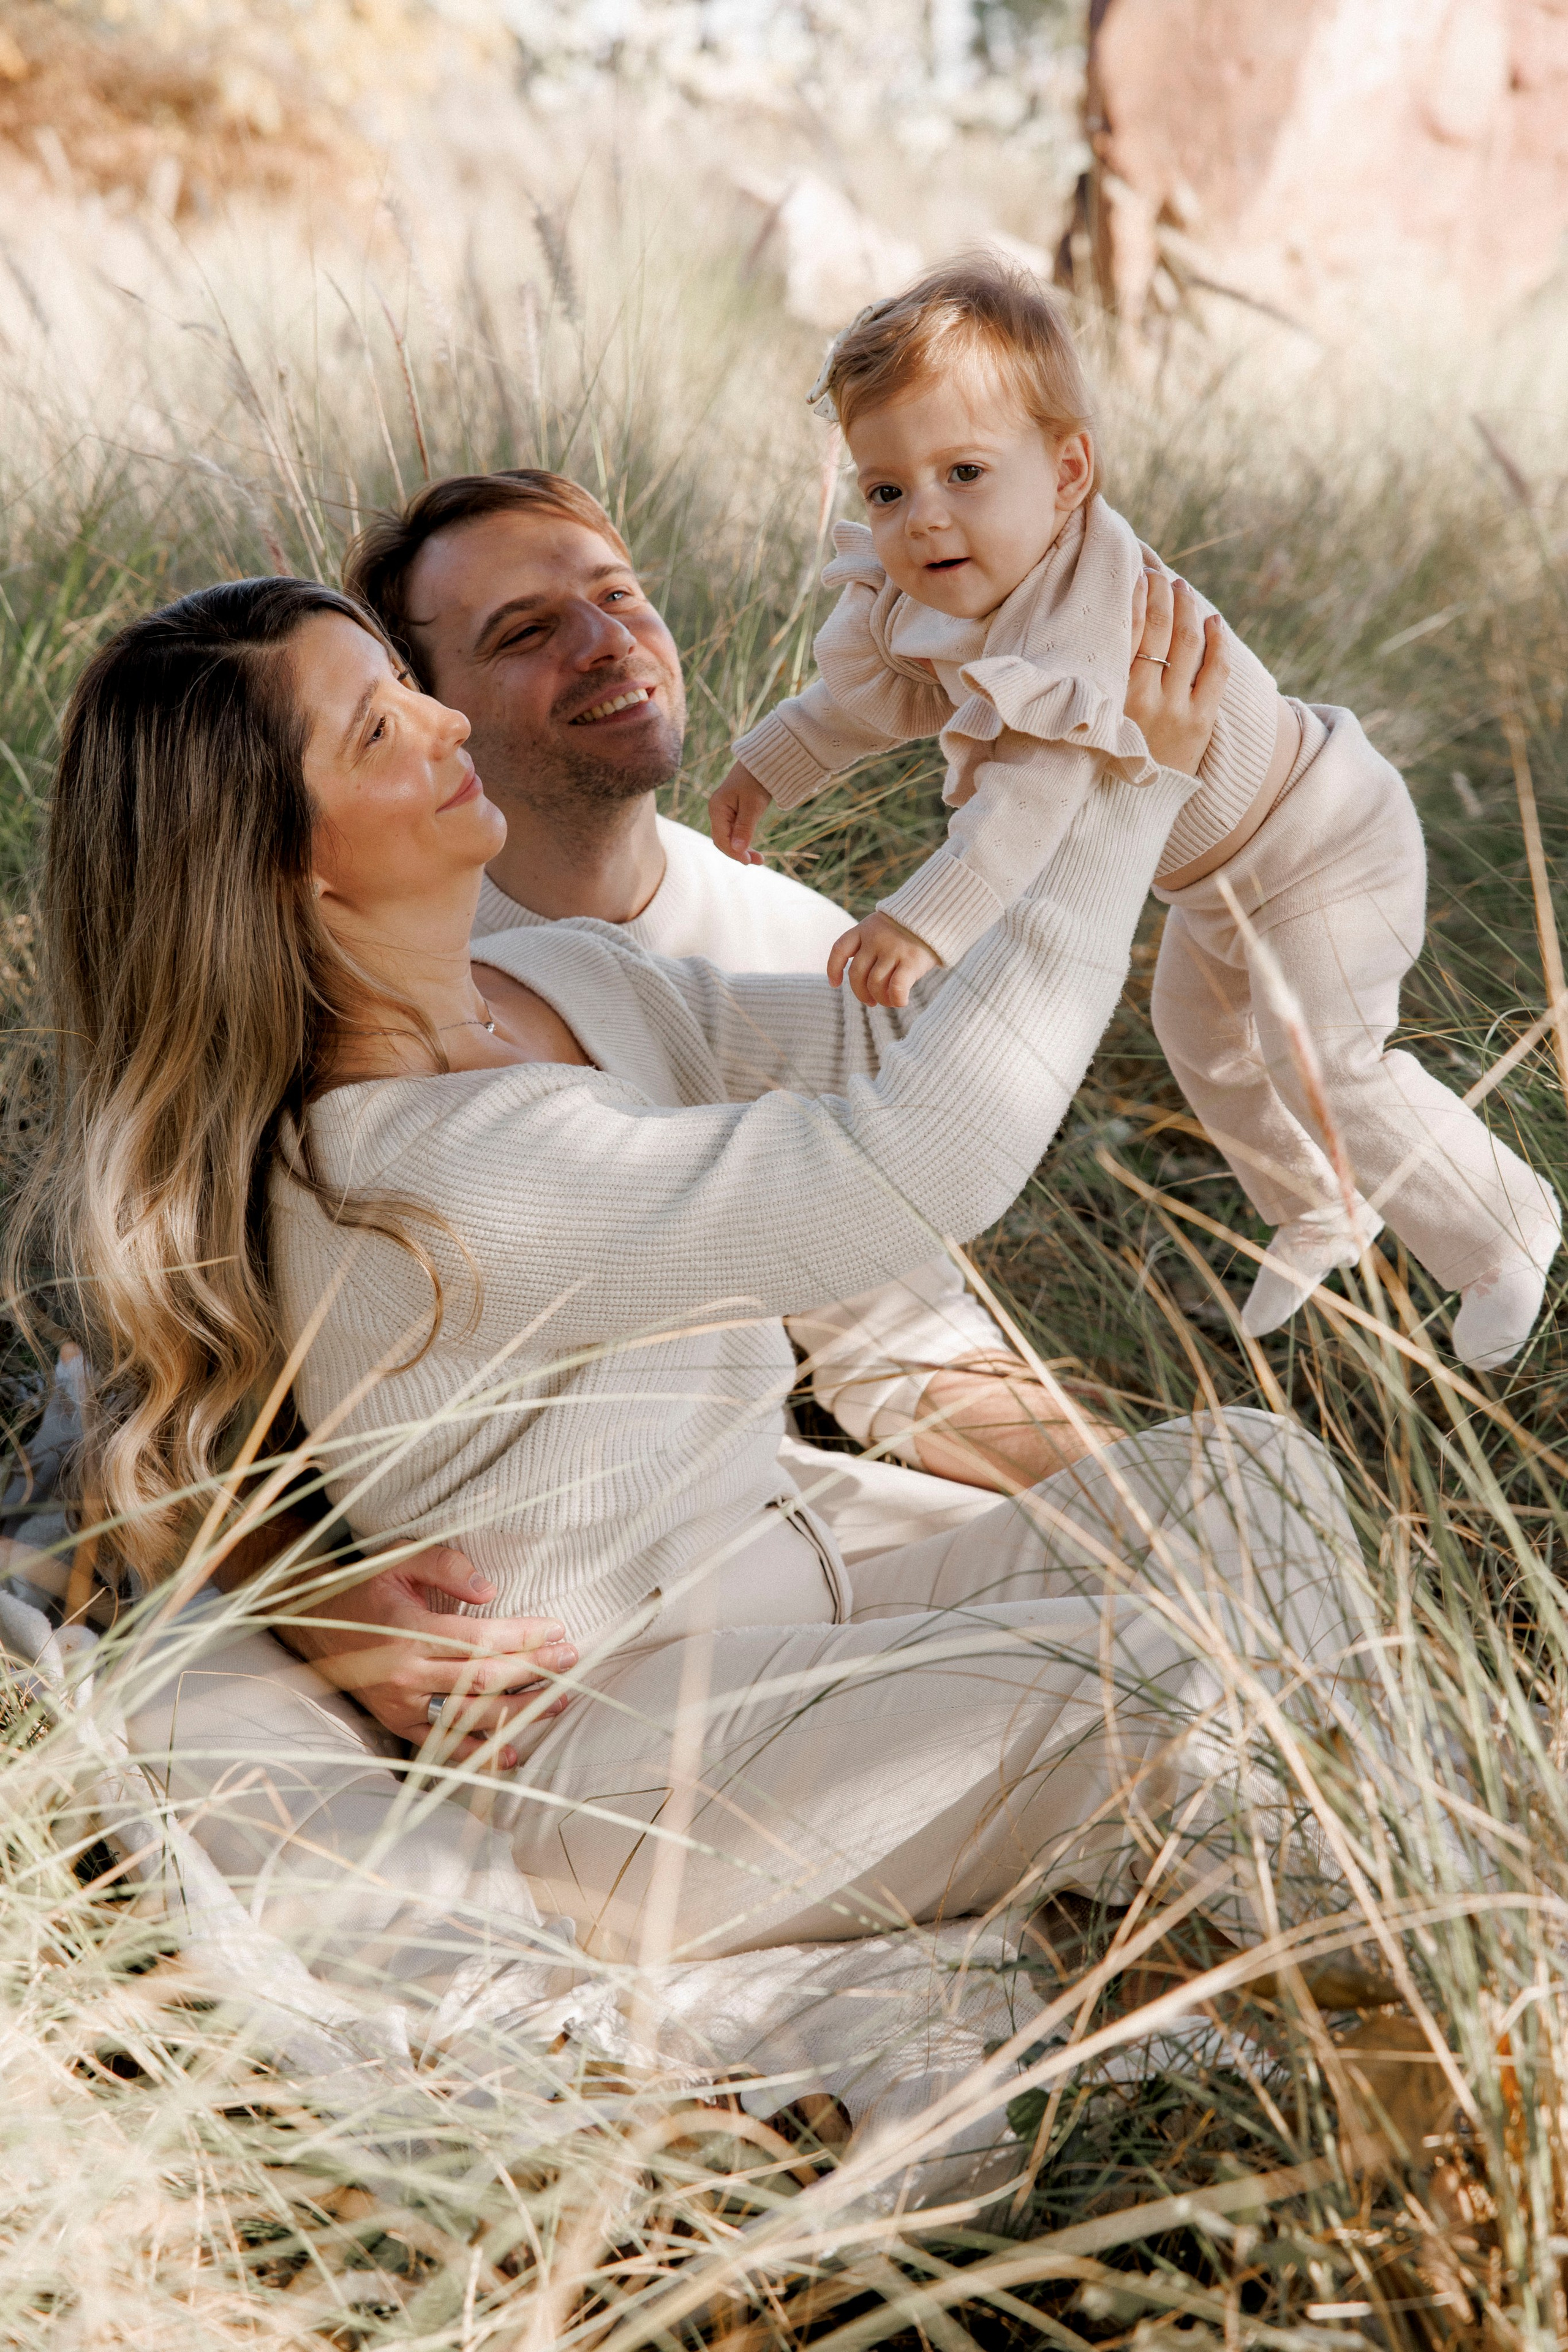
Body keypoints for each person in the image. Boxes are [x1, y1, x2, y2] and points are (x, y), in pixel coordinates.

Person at [6, 556, 1374, 1988]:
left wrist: (1028, 779)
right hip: (631, 1772)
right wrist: (1124, 791)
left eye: (409, 689)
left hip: (815, 1600)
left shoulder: (558, 988)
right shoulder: (414, 1168)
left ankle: (1399, 1918)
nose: (447, 728)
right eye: (376, 733)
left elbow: (902, 1056)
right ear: (290, 859)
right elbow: (922, 1158)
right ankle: (1452, 2003)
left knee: (1251, 1478)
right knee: (1161, 1689)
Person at [710, 258, 1561, 1372]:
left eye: (965, 471)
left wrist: (924, 923)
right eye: (886, 490)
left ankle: (1505, 1232)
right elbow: (876, 697)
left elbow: (1036, 798)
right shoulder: (957, 582)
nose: (921, 519)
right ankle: (1318, 1207)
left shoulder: (1081, 614)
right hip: (1211, 883)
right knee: (1203, 1041)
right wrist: (766, 767)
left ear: (1068, 474)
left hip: (1323, 837)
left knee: (1327, 1059)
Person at [338, 467, 1117, 1531]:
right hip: (499, 1560)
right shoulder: (396, 977)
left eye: (617, 596)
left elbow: (903, 1352)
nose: (607, 643)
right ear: (429, 712)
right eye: (523, 632)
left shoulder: (801, 943)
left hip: (758, 1511)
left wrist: (1154, 1495)